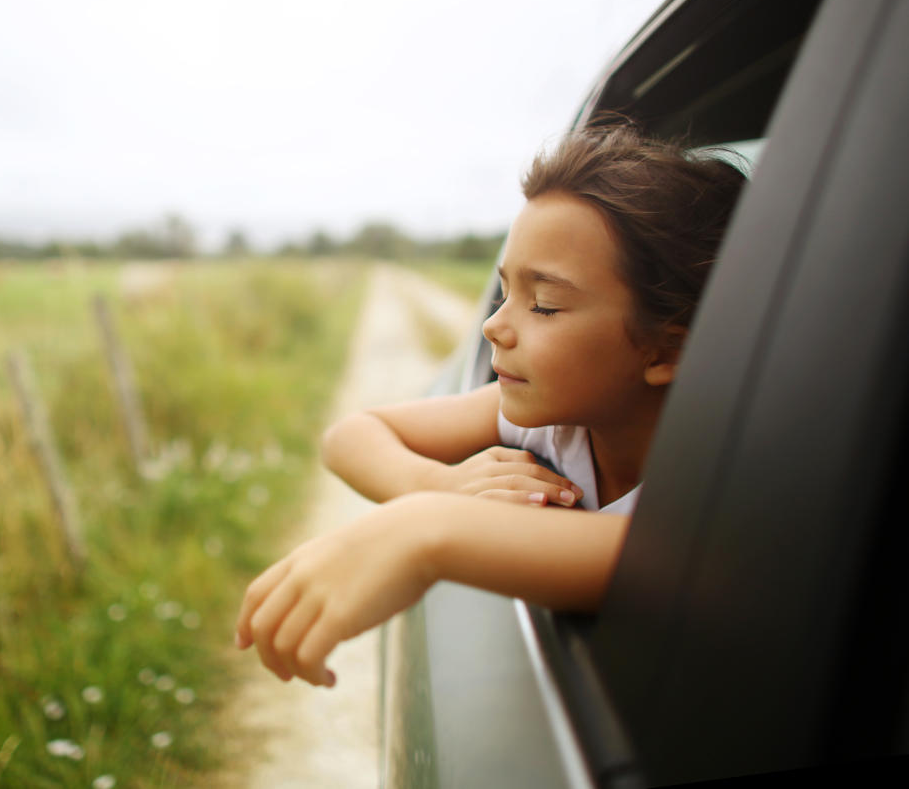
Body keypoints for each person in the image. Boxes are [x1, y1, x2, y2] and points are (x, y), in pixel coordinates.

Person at [234, 124, 748, 688]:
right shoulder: (559, 427)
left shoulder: (721, 511)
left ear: (668, 348)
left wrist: (426, 529)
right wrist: (437, 488)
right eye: (504, 293)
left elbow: (659, 562)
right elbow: (350, 436)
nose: (493, 325)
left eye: (545, 305)